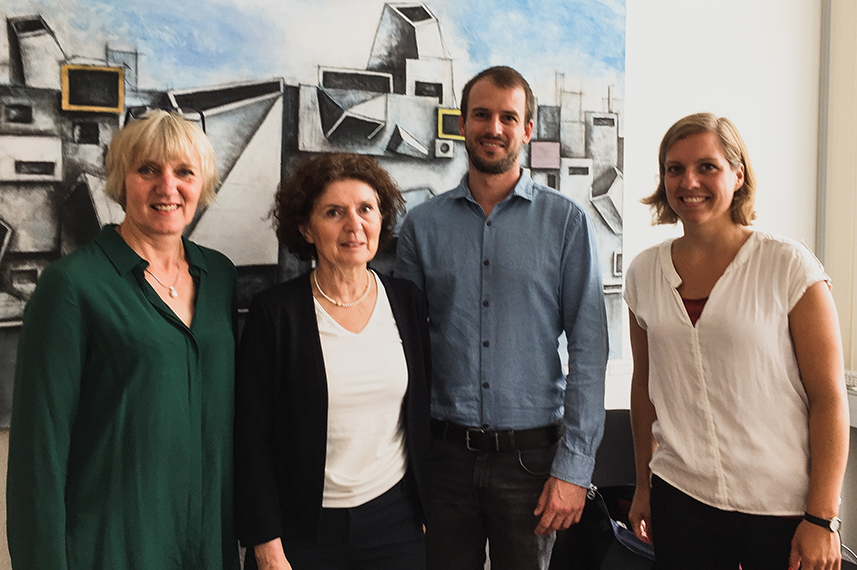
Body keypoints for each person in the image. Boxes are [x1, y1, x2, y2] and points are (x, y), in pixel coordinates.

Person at [396, 65, 609, 570]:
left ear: (527, 130)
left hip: (533, 463)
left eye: (507, 117)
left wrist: (575, 468)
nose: (493, 127)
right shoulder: (422, 227)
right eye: (481, 115)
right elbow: (403, 347)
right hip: (443, 459)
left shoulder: (567, 223)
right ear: (462, 123)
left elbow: (589, 350)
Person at [6, 110, 239, 569]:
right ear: (120, 179)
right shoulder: (71, 286)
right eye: (148, 169)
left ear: (203, 184)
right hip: (111, 546)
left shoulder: (220, 277)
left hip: (206, 545)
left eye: (184, 172)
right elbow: (39, 454)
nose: (167, 187)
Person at [625, 112, 850, 570]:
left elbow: (828, 399)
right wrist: (644, 486)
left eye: (707, 166)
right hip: (681, 496)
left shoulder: (789, 266)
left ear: (738, 174)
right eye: (674, 168)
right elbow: (645, 388)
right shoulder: (644, 274)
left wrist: (823, 517)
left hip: (780, 505)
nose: (689, 181)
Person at [234, 153, 431, 570]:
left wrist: (424, 511)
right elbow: (251, 438)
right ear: (306, 228)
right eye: (334, 212)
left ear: (382, 219)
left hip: (394, 524)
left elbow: (418, 414)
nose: (354, 225)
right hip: (302, 531)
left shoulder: (407, 301)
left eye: (366, 209)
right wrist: (266, 545)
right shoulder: (275, 312)